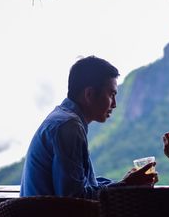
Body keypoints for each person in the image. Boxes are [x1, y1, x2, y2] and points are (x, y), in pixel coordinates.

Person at [20, 56, 156, 199]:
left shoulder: (62, 118)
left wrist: (124, 183)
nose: (114, 104)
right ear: (89, 94)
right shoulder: (69, 127)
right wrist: (124, 186)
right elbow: (75, 199)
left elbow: (80, 185)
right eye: (111, 94)